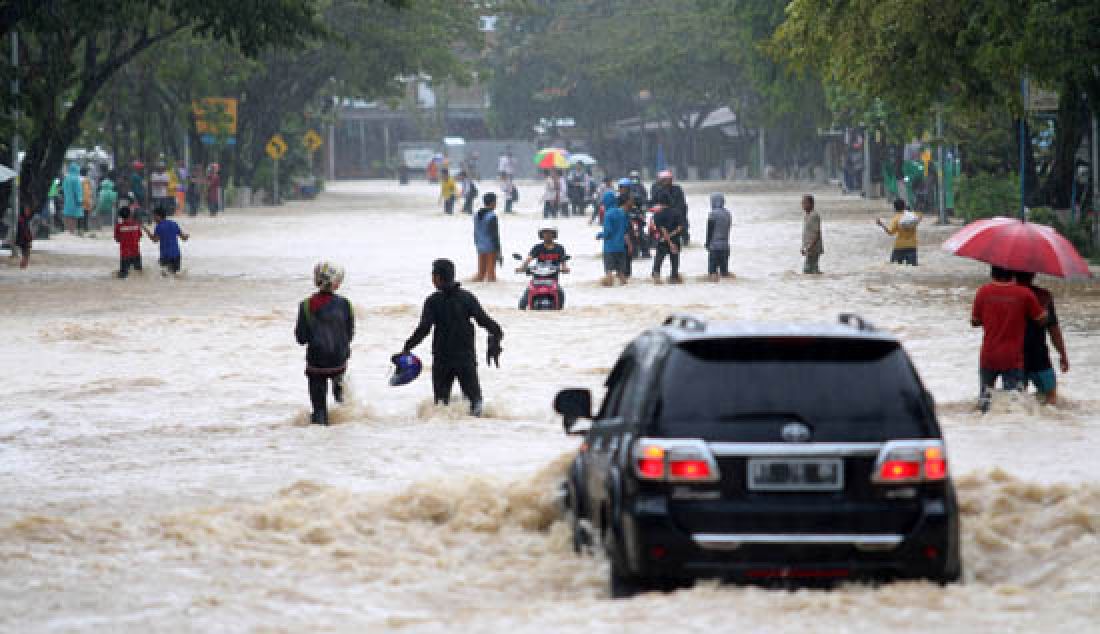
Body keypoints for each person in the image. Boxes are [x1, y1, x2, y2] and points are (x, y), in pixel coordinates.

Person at [399, 259, 503, 417]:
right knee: (475, 404)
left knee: (441, 405)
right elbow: (486, 322)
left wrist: (407, 347)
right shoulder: (467, 298)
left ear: (438, 278)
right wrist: (496, 337)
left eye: (433, 275)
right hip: (466, 359)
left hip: (442, 360)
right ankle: (476, 432)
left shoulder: (432, 301)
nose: (432, 279)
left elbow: (424, 329)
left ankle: (446, 433)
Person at [971, 266, 1047, 410]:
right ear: (1013, 274)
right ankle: (1009, 430)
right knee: (1013, 404)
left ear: (992, 273)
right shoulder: (1025, 294)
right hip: (1012, 358)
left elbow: (975, 322)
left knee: (984, 402)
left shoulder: (983, 291)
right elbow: (1041, 320)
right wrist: (1043, 307)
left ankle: (984, 429)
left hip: (989, 355)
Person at [294, 262, 354, 426]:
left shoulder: (305, 305)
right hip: (339, 363)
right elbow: (349, 335)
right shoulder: (346, 304)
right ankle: (343, 438)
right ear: (337, 283)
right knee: (343, 406)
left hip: (316, 365)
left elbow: (301, 338)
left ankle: (320, 442)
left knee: (319, 411)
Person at [1014, 272, 1070, 405]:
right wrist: (1062, 354)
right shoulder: (1043, 296)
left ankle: (1016, 425)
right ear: (1033, 274)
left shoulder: (1009, 296)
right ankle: (1046, 424)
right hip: (1039, 355)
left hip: (1015, 356)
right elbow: (1053, 329)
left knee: (1017, 401)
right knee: (1051, 398)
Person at [517, 225, 569, 308]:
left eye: (550, 232)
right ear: (541, 234)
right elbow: (528, 259)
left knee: (560, 294)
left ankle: (559, 309)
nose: (547, 235)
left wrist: (565, 268)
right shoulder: (537, 247)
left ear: (554, 234)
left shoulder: (560, 248)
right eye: (545, 232)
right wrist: (522, 267)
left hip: (553, 279)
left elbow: (563, 262)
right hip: (537, 279)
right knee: (524, 300)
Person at [143, 206, 189, 275]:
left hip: (166, 256)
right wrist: (187, 236)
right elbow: (183, 238)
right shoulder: (174, 223)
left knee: (165, 276)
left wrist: (146, 231)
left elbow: (155, 240)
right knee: (175, 275)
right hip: (177, 255)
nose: (153, 218)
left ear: (158, 216)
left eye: (154, 216)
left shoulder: (159, 226)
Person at [598, 193, 631, 286]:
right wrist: (629, 245)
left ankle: (610, 295)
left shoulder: (607, 214)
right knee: (621, 274)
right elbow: (625, 230)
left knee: (609, 273)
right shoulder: (622, 213)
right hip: (621, 247)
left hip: (610, 248)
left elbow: (608, 232)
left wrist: (600, 235)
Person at [876, 198, 922, 265]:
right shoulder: (913, 216)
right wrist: (909, 211)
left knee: (894, 266)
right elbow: (920, 216)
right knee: (913, 266)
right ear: (904, 206)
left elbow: (890, 232)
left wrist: (881, 224)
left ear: (895, 208)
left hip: (899, 247)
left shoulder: (896, 219)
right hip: (912, 246)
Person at [651, 195, 685, 284]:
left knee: (658, 262)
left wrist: (669, 241)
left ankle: (657, 280)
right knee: (675, 263)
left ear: (660, 203)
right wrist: (672, 239)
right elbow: (680, 228)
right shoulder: (677, 212)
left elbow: (663, 229)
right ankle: (674, 278)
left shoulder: (657, 214)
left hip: (663, 241)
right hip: (676, 241)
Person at [650, 169, 689, 244]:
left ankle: (685, 238)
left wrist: (678, 211)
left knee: (683, 223)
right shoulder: (656, 189)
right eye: (665, 179)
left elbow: (681, 202)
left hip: (675, 213)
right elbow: (652, 201)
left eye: (670, 179)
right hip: (661, 213)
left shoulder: (677, 188)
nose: (668, 181)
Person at [473, 192, 502, 283]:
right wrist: (499, 253)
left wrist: (477, 244)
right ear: (493, 203)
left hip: (480, 247)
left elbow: (475, 232)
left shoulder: (476, 215)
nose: (496, 204)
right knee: (491, 276)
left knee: (480, 275)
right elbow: (495, 236)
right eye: (496, 202)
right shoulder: (492, 216)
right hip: (490, 248)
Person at [705, 193, 732, 282]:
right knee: (724, 273)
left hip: (714, 247)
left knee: (712, 273)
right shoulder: (728, 214)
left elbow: (710, 230)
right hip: (725, 247)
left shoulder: (712, 214)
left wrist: (707, 243)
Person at [113, 206, 143, 278]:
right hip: (136, 253)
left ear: (120, 216)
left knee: (123, 276)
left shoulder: (119, 226)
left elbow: (117, 240)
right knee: (138, 275)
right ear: (130, 215)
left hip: (125, 255)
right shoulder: (136, 224)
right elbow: (139, 237)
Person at [801, 194, 823, 274]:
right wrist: (803, 247)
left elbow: (817, 233)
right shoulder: (807, 216)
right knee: (812, 270)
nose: (803, 205)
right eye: (802, 203)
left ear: (811, 204)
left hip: (814, 249)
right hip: (809, 248)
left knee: (808, 270)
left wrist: (810, 246)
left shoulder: (814, 215)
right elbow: (807, 233)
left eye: (805, 203)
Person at [61, 162, 84, 234]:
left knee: (68, 215)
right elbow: (78, 190)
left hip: (67, 199)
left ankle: (68, 230)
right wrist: (80, 199)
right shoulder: (76, 179)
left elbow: (63, 189)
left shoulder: (66, 178)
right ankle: (72, 231)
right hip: (75, 200)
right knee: (74, 216)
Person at [80, 167, 95, 231]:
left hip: (80, 198)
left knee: (80, 214)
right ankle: (86, 227)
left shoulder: (78, 179)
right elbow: (92, 190)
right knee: (86, 214)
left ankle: (80, 227)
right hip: (87, 199)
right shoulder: (89, 180)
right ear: (86, 173)